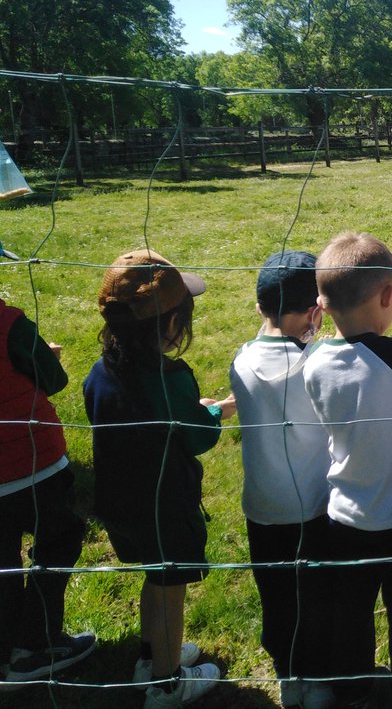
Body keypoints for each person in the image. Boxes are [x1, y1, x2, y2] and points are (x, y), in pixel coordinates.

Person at [83, 249, 232, 708]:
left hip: (120, 502)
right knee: (171, 589)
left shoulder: (100, 373)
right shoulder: (167, 379)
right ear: (169, 325)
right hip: (164, 505)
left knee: (156, 576)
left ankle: (151, 655)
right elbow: (197, 436)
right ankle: (166, 684)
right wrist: (216, 411)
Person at [302, 232, 392, 708]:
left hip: (346, 515)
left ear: (322, 303)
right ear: (387, 296)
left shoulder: (312, 363)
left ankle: (352, 689)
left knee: (351, 612)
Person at [228, 250, 333, 709]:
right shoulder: (318, 363)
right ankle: (321, 679)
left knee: (275, 597)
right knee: (317, 596)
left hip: (263, 508)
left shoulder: (242, 361)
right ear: (315, 311)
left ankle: (289, 676)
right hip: (314, 506)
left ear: (259, 308)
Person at [0, 240, 94, 684]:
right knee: (58, 542)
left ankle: (4, 648)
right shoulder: (10, 324)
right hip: (33, 465)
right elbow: (53, 381)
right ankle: (36, 644)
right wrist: (47, 358)